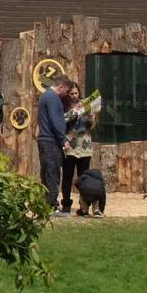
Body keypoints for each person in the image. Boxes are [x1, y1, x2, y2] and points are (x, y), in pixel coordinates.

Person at [37, 76, 74, 213]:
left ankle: (45, 203)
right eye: (66, 91)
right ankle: (51, 204)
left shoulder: (46, 96)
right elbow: (55, 121)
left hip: (46, 140)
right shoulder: (52, 98)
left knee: (47, 173)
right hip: (51, 141)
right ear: (60, 87)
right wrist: (63, 139)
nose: (66, 94)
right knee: (52, 173)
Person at [61, 92, 96, 212]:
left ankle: (84, 206)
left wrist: (91, 115)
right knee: (67, 177)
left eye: (76, 93)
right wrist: (74, 111)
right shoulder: (64, 106)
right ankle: (66, 205)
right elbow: (62, 120)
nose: (74, 95)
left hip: (85, 147)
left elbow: (92, 125)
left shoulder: (85, 105)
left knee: (84, 177)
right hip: (70, 146)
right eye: (71, 93)